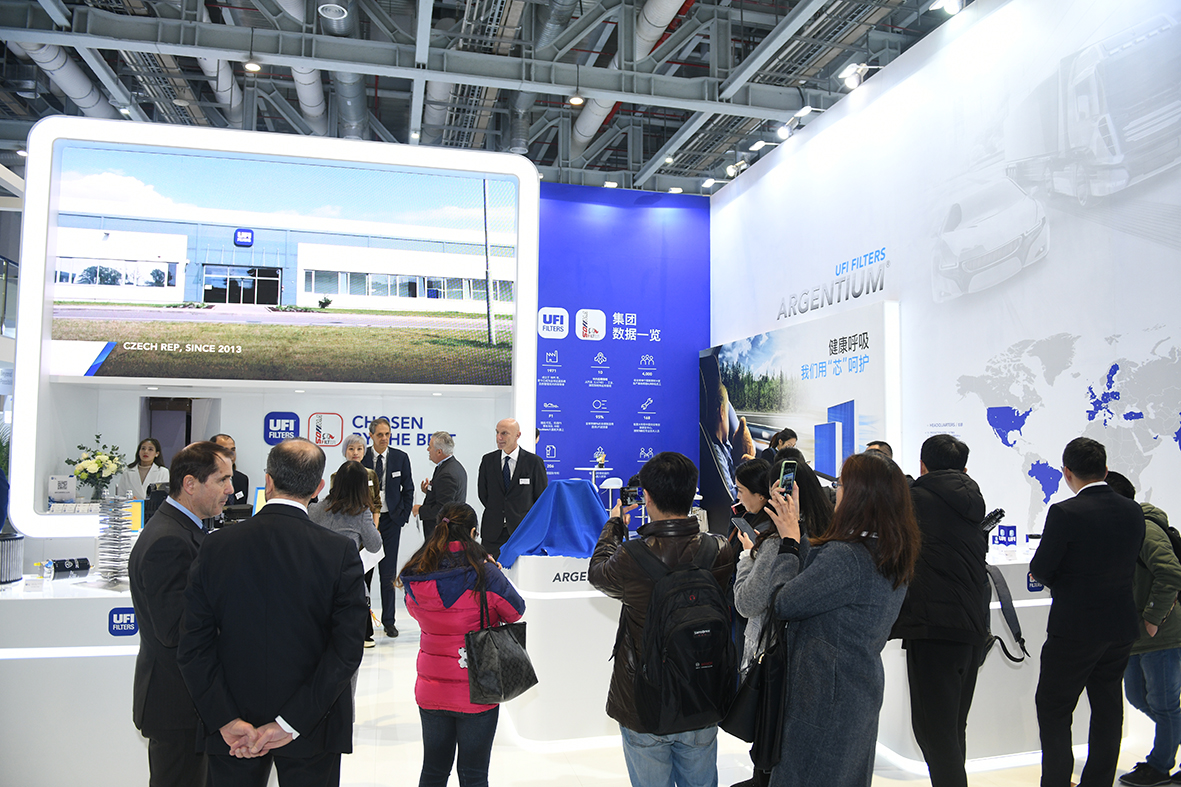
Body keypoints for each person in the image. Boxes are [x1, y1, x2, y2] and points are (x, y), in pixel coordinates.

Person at [177, 437, 368, 787]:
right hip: (312, 726)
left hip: (234, 729)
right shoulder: (338, 551)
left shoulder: (216, 546)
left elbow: (193, 644)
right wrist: (291, 722)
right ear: (318, 487)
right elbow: (346, 649)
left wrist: (225, 719)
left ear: (267, 481)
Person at [761, 450, 921, 786]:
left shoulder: (848, 558)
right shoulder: (890, 551)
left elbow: (783, 602)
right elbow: (816, 583)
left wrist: (789, 543)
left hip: (823, 697)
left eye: (842, 485)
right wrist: (795, 530)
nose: (836, 491)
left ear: (860, 496)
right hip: (855, 690)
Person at [589, 451, 735, 787]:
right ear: (691, 493)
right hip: (702, 692)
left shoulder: (631, 556)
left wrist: (614, 526)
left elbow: (597, 573)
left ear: (647, 497)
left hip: (646, 699)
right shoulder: (719, 550)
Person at [1030, 437, 1145, 787]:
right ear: (1105, 470)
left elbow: (1042, 568)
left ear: (1067, 472)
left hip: (1075, 627)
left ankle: (1056, 782)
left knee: (1054, 707)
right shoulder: (1133, 509)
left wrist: (1063, 582)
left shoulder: (1065, 512)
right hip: (1120, 624)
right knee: (1108, 707)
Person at [128, 440, 236, 787]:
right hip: (177, 705)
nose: (230, 490)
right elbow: (175, 629)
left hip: (185, 704)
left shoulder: (181, 529)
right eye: (222, 480)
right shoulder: (169, 540)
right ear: (190, 484)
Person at [398, 503, 525, 787]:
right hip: (479, 686)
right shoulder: (486, 574)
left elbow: (414, 611)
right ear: (473, 532)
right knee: (474, 775)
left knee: (433, 770)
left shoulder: (418, 572)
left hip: (431, 687)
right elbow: (516, 611)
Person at [889, 434, 987, 787]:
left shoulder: (914, 500)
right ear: (964, 469)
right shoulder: (973, 501)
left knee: (934, 734)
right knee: (951, 729)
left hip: (934, 628)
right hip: (972, 627)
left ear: (922, 465)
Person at [1105, 472, 1181, 787]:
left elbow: (1171, 572)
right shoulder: (1120, 529)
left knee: (1164, 704)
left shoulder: (1145, 528)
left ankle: (1159, 766)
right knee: (1137, 697)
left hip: (1160, 633)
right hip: (1133, 634)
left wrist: (1153, 617)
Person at [309, 460, 384, 649]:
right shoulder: (361, 513)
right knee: (347, 646)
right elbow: (375, 545)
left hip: (316, 584)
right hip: (347, 586)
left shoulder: (314, 509)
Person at [361, 417, 414, 638]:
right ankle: (364, 624)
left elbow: (408, 489)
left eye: (387, 434)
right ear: (371, 436)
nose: (384, 438)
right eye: (380, 435)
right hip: (365, 522)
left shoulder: (400, 457)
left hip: (391, 521)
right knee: (365, 573)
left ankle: (389, 621)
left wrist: (401, 517)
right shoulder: (362, 458)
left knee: (388, 573)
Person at [476, 418, 548, 559]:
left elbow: (541, 498)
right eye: (497, 432)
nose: (499, 437)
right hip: (493, 533)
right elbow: (483, 494)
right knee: (490, 570)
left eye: (504, 433)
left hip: (522, 533)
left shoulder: (533, 462)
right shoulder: (488, 460)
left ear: (517, 435)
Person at [413, 431, 468, 541]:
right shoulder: (452, 466)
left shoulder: (447, 474)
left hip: (443, 535)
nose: (427, 450)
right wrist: (430, 491)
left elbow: (443, 509)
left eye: (430, 447)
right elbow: (446, 497)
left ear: (439, 452)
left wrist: (420, 509)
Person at [211, 434, 251, 506]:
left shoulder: (242, 479)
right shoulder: (206, 480)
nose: (231, 454)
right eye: (225, 450)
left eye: (233, 450)